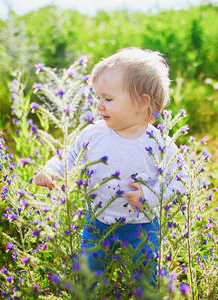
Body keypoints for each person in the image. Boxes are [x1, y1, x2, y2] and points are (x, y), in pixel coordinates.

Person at [35, 47, 187, 285]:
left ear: (141, 102)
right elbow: (70, 155)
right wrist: (50, 170)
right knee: (88, 278)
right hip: (97, 223)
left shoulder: (158, 142)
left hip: (142, 227)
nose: (99, 106)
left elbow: (182, 180)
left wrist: (151, 195)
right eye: (98, 98)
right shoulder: (94, 133)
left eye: (108, 99)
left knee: (145, 281)